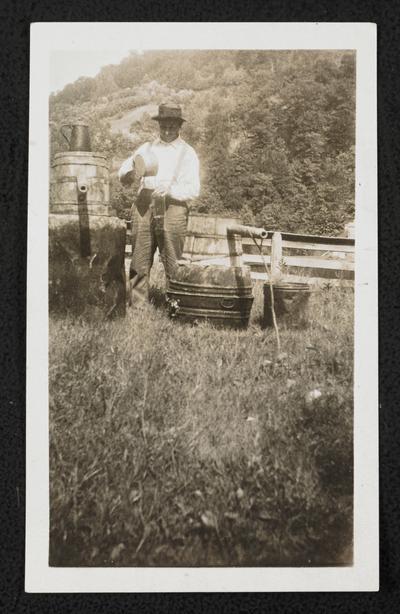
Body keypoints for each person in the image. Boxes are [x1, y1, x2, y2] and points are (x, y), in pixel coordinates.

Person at [118, 103, 200, 306]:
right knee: (139, 256)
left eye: (171, 125)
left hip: (173, 207)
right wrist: (130, 172)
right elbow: (123, 173)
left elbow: (193, 189)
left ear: (179, 126)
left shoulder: (187, 153)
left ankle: (175, 304)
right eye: (163, 125)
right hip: (144, 205)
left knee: (172, 258)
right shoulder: (146, 148)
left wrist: (170, 190)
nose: (167, 130)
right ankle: (137, 304)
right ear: (159, 125)